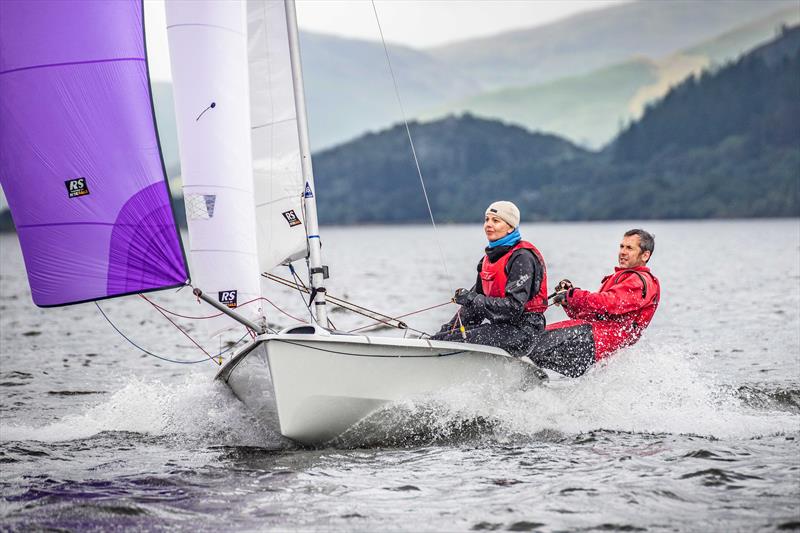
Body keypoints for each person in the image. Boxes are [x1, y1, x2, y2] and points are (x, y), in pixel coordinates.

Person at [526, 229, 660, 377]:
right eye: (621, 246)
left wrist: (573, 295)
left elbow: (609, 302)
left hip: (594, 340)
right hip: (595, 343)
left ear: (645, 255)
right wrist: (568, 301)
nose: (622, 252)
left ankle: (514, 375)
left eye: (629, 248)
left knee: (528, 342)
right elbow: (594, 314)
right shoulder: (625, 278)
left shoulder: (639, 281)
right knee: (533, 350)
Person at [431, 201, 548, 356]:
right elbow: (472, 307)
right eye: (487, 220)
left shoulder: (522, 258)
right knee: (446, 337)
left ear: (511, 227)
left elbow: (513, 308)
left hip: (524, 331)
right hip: (501, 329)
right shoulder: (487, 260)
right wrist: (444, 332)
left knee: (454, 340)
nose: (488, 224)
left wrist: (472, 299)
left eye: (496, 220)